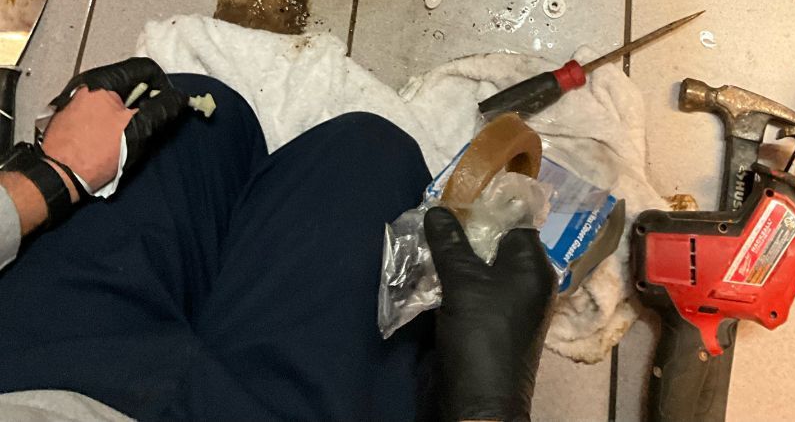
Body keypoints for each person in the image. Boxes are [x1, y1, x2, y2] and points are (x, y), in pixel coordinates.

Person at [0, 59, 556, 422]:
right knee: (365, 155)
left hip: (34, 376)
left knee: (189, 115)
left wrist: (48, 179)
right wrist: (489, 406)